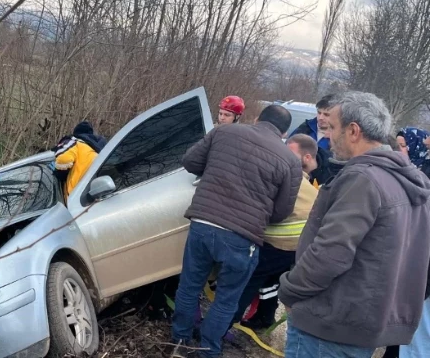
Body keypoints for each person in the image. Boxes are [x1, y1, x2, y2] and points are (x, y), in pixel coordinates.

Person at [279, 92, 430, 358]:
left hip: (329, 323)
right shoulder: (410, 180)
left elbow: (330, 254)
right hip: (360, 324)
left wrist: (290, 290)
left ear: (353, 131)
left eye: (332, 127)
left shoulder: (362, 180)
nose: (327, 136)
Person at [171, 105, 300, 358]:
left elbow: (190, 161)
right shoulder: (290, 161)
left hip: (203, 222)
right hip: (242, 236)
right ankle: (208, 350)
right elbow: (282, 211)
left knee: (189, 287)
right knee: (226, 299)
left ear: (255, 119)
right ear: (284, 133)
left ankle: (179, 342)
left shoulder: (225, 132)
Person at [233, 134, 320, 331]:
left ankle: (226, 322)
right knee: (271, 280)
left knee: (251, 276)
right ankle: (265, 317)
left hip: (283, 243)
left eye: (289, 153)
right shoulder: (305, 177)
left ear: (306, 157)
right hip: (298, 246)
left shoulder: (292, 177)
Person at [54, 121, 105, 198]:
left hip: (77, 196)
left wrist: (60, 173)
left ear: (76, 133)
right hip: (98, 193)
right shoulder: (103, 149)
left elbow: (63, 159)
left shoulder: (76, 143)